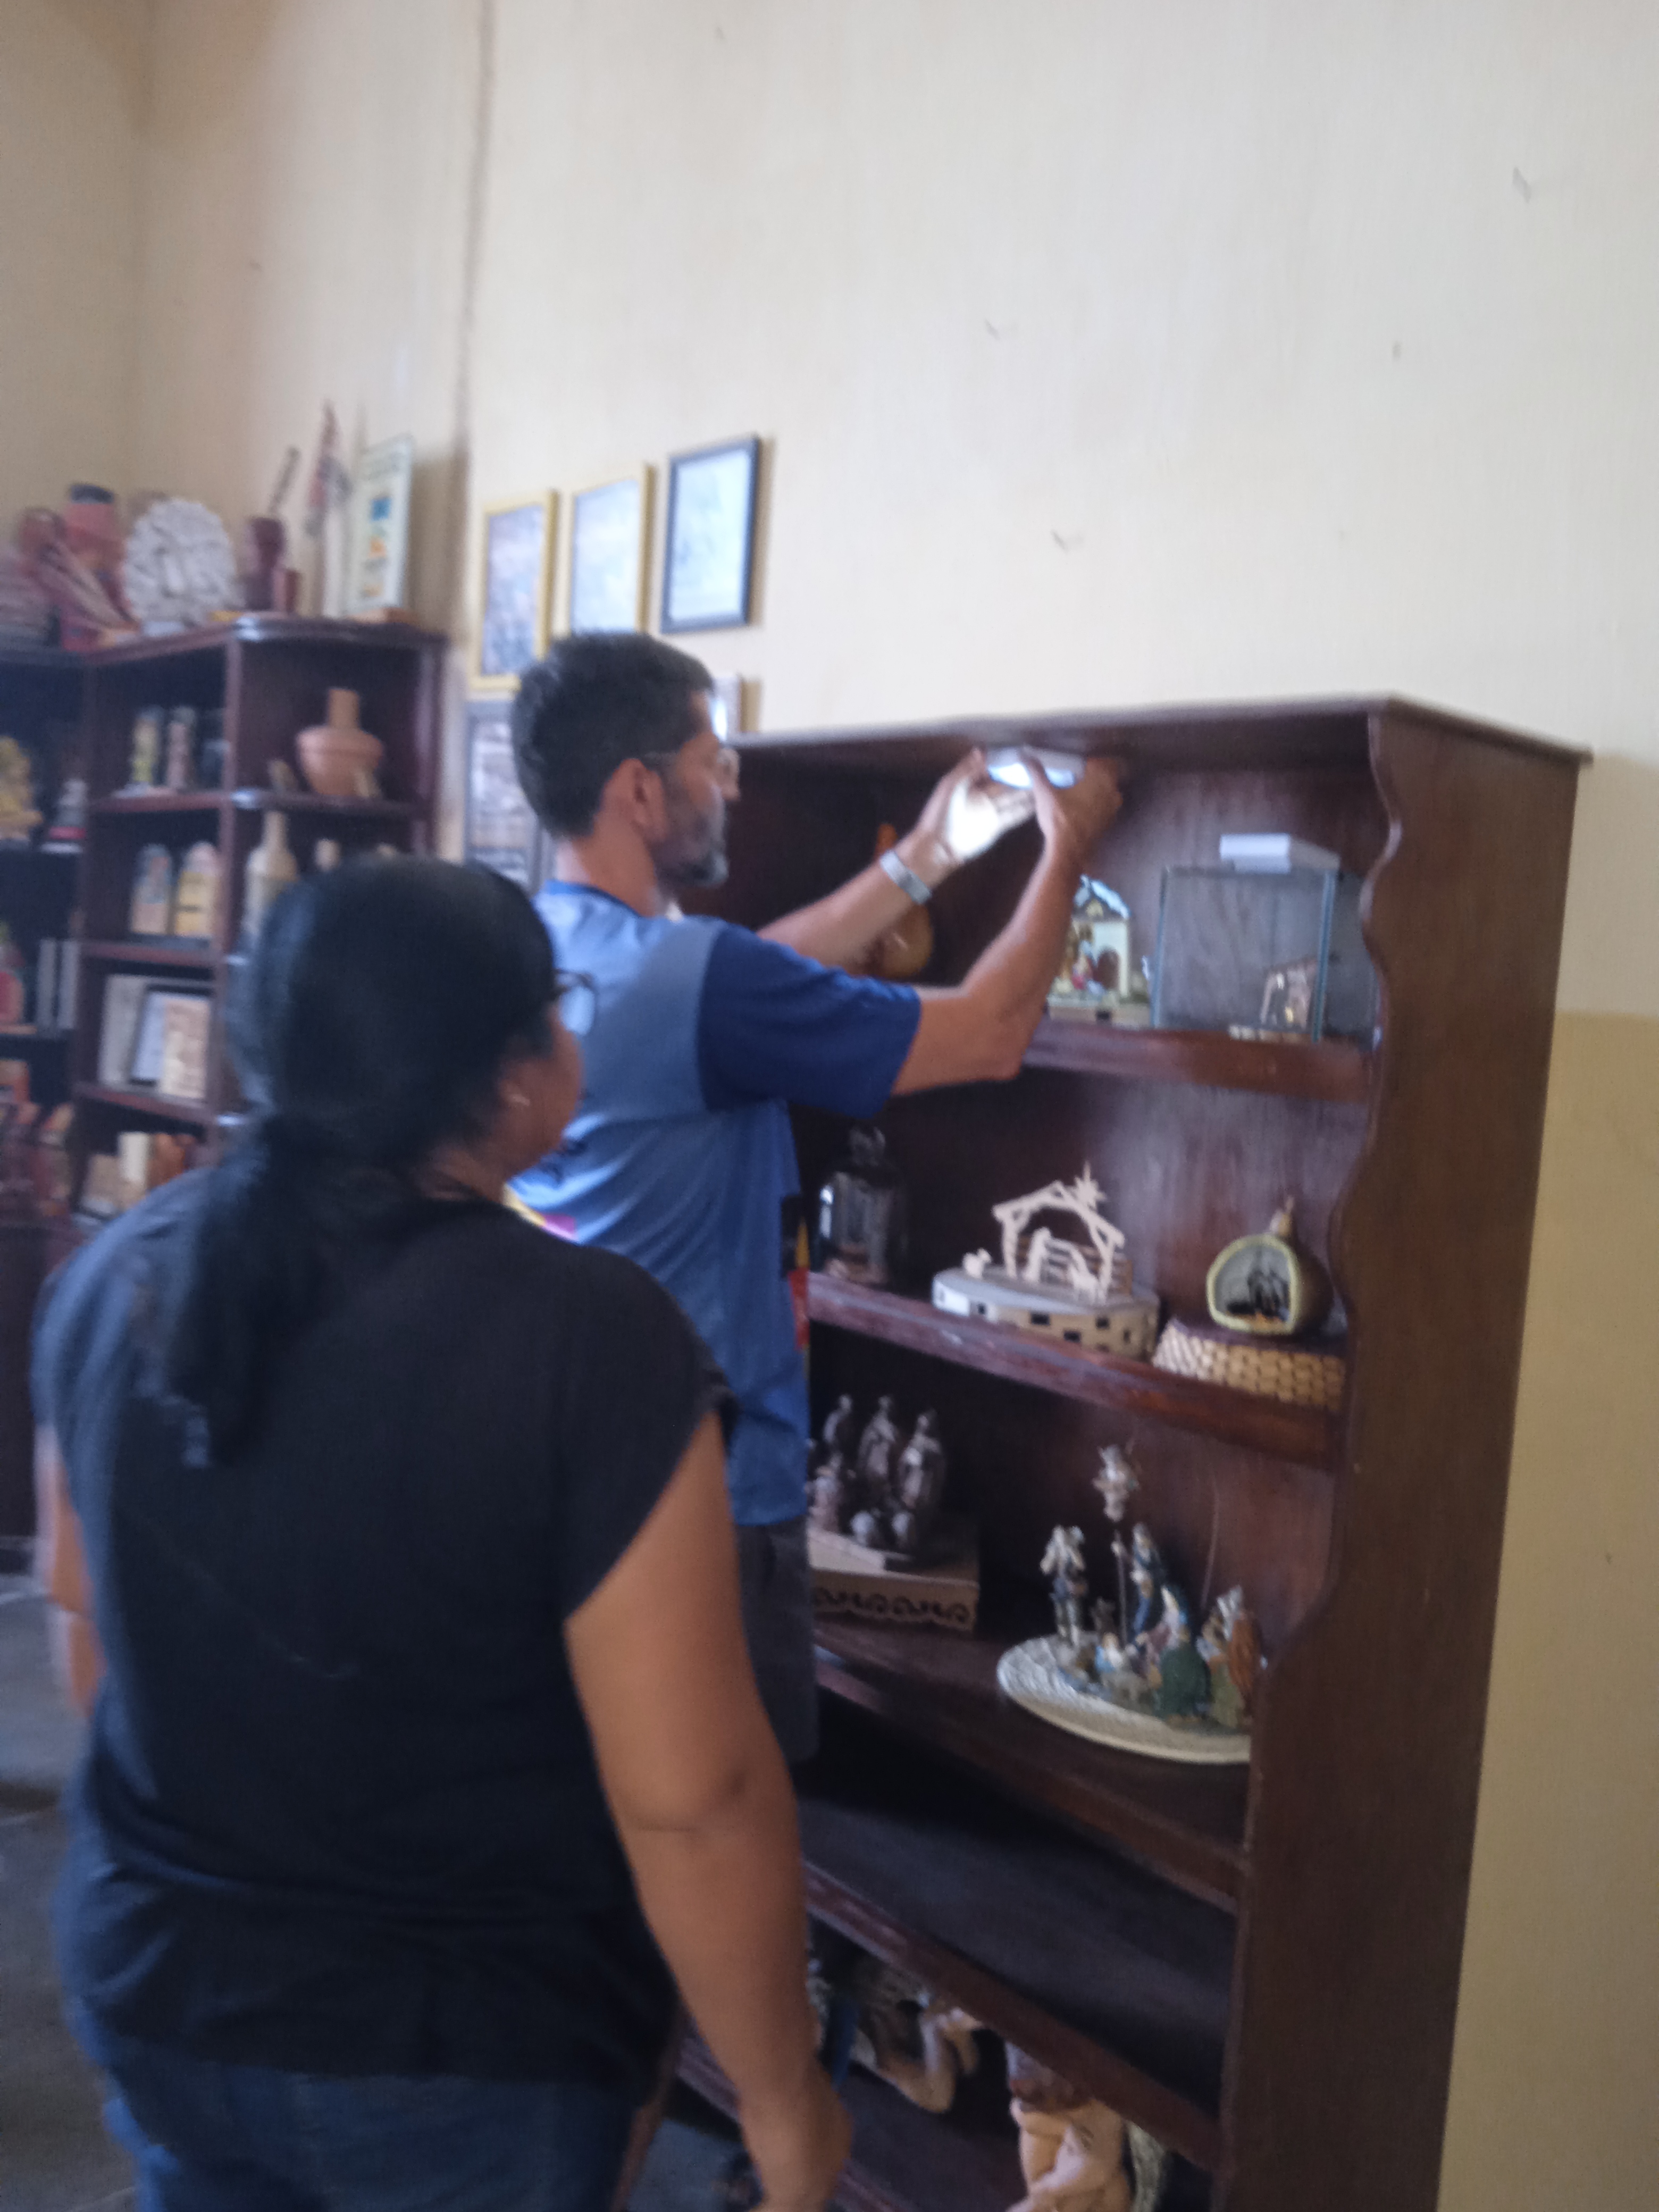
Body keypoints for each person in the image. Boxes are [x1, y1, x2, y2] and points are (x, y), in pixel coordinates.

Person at [32, 858, 849, 2212]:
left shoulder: (111, 1273)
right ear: (512, 1075)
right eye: (559, 1009)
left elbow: (86, 1634)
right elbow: (693, 1798)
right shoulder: (595, 1340)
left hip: (156, 1984)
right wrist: (782, 2095)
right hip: (462, 2052)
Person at [510, 635, 1124, 1759]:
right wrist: (1069, 850)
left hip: (570, 1483)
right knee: (734, 1805)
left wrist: (929, 855)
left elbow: (755, 977)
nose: (732, 785)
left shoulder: (535, 951)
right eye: (714, 760)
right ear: (640, 790)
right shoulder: (699, 983)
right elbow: (991, 1032)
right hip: (711, 1504)